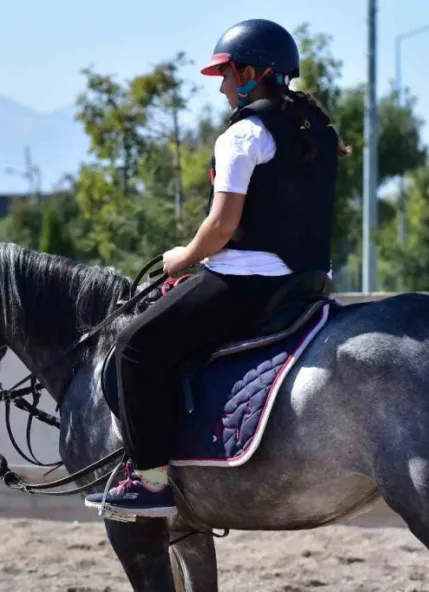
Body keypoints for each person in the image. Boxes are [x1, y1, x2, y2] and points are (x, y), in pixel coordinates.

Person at [85, 19, 349, 518]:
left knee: (134, 347)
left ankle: (152, 481)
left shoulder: (245, 133)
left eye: (226, 75)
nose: (224, 87)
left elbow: (222, 225)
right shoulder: (316, 127)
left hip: (247, 284)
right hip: (308, 284)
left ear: (251, 73)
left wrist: (181, 258)